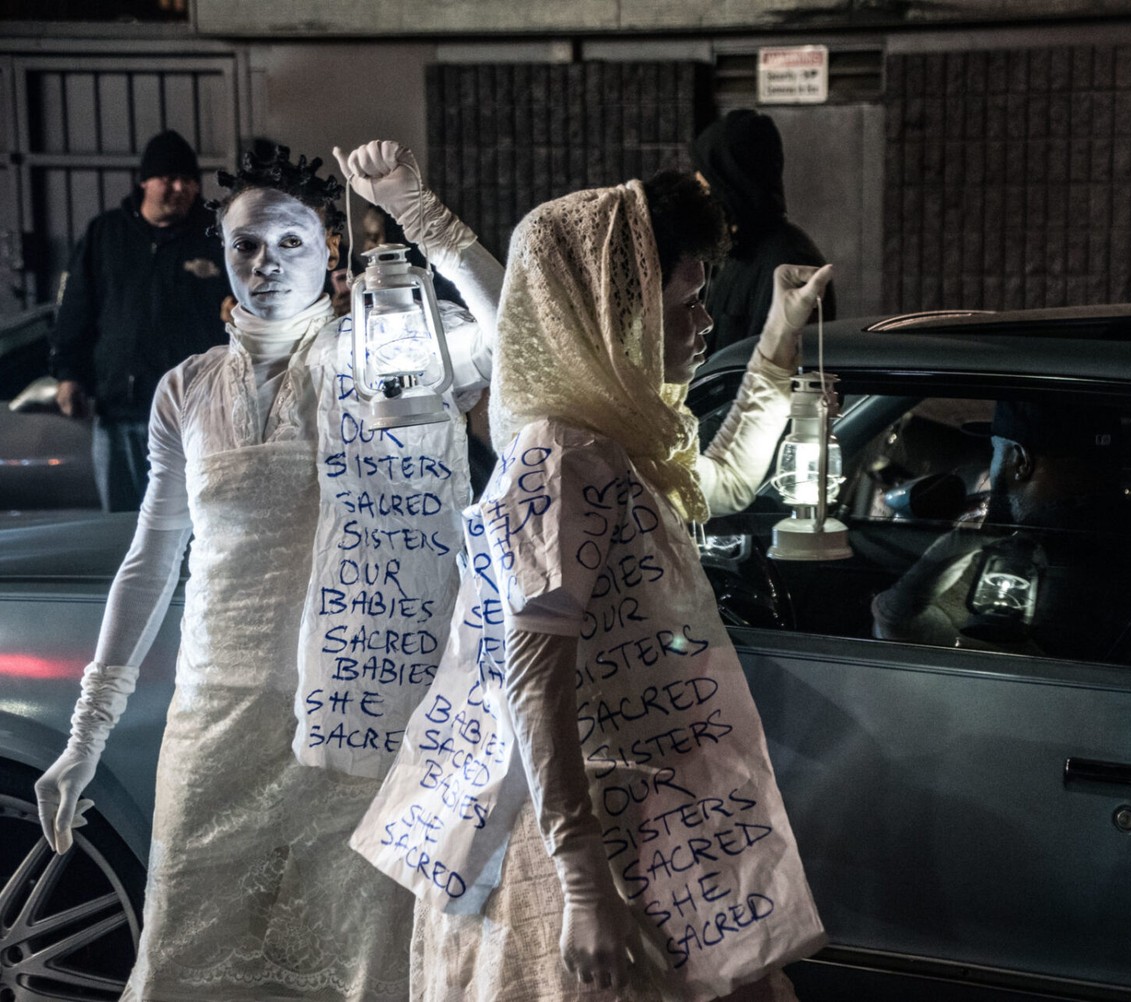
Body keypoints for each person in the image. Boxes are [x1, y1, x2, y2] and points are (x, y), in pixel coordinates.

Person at [33, 141, 503, 1000]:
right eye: (246, 244)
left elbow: (517, 331)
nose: (265, 264)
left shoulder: (383, 352)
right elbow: (152, 557)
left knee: (361, 968)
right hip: (215, 718)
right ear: (220, 252)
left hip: (359, 720)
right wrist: (84, 735)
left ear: (329, 247)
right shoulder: (186, 387)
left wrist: (418, 212)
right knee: (185, 961)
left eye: (289, 242)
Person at [352, 173, 834, 1001]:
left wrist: (780, 340)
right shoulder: (561, 460)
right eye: (685, 304)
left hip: (635, 818)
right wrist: (583, 890)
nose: (704, 322)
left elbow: (717, 483)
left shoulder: (618, 441)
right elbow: (532, 686)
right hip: (565, 832)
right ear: (619, 318)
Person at [871, 400, 1131, 662]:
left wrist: (957, 545)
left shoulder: (995, 562)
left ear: (1021, 461)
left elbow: (896, 623)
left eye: (995, 456)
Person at [48, 129, 232, 511]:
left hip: (193, 418)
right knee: (120, 528)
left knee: (191, 525)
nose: (180, 188)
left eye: (189, 180)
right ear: (145, 181)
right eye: (168, 179)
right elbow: (75, 311)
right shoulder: (106, 234)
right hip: (121, 415)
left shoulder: (215, 237)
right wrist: (68, 374)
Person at [690, 109, 835, 356]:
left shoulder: (790, 263)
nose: (700, 202)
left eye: (706, 189)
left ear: (731, 187)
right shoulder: (737, 253)